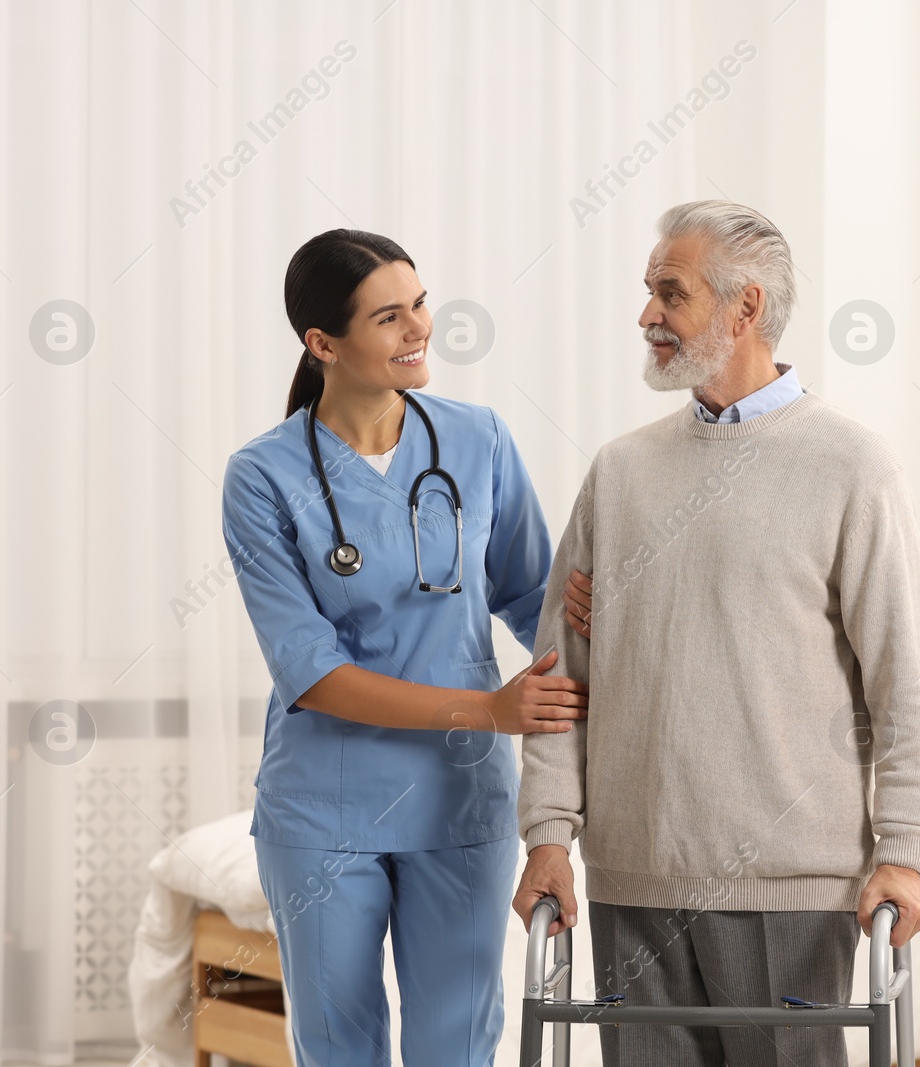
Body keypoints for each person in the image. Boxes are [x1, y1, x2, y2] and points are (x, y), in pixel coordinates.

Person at [514, 201, 920, 1066]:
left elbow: (905, 676)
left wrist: (904, 848)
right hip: (634, 877)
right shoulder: (620, 470)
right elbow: (563, 672)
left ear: (744, 307)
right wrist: (549, 834)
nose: (647, 317)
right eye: (648, 293)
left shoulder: (850, 465)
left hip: (792, 886)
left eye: (669, 294)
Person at [221, 228, 588, 1067]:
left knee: (456, 1046)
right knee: (339, 1045)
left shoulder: (478, 438)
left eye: (420, 303)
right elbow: (308, 670)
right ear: (324, 344)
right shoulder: (264, 477)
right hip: (325, 807)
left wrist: (617, 620)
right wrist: (489, 709)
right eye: (390, 317)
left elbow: (537, 599)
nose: (421, 327)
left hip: (458, 801)